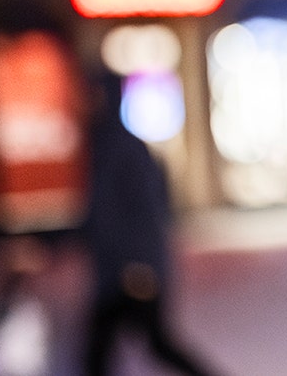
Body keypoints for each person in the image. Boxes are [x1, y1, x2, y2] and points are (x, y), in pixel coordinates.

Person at [83, 72, 217, 376]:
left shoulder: (125, 149)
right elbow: (98, 215)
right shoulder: (102, 147)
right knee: (107, 351)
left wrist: (141, 264)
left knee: (148, 344)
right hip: (116, 271)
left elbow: (147, 214)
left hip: (131, 273)